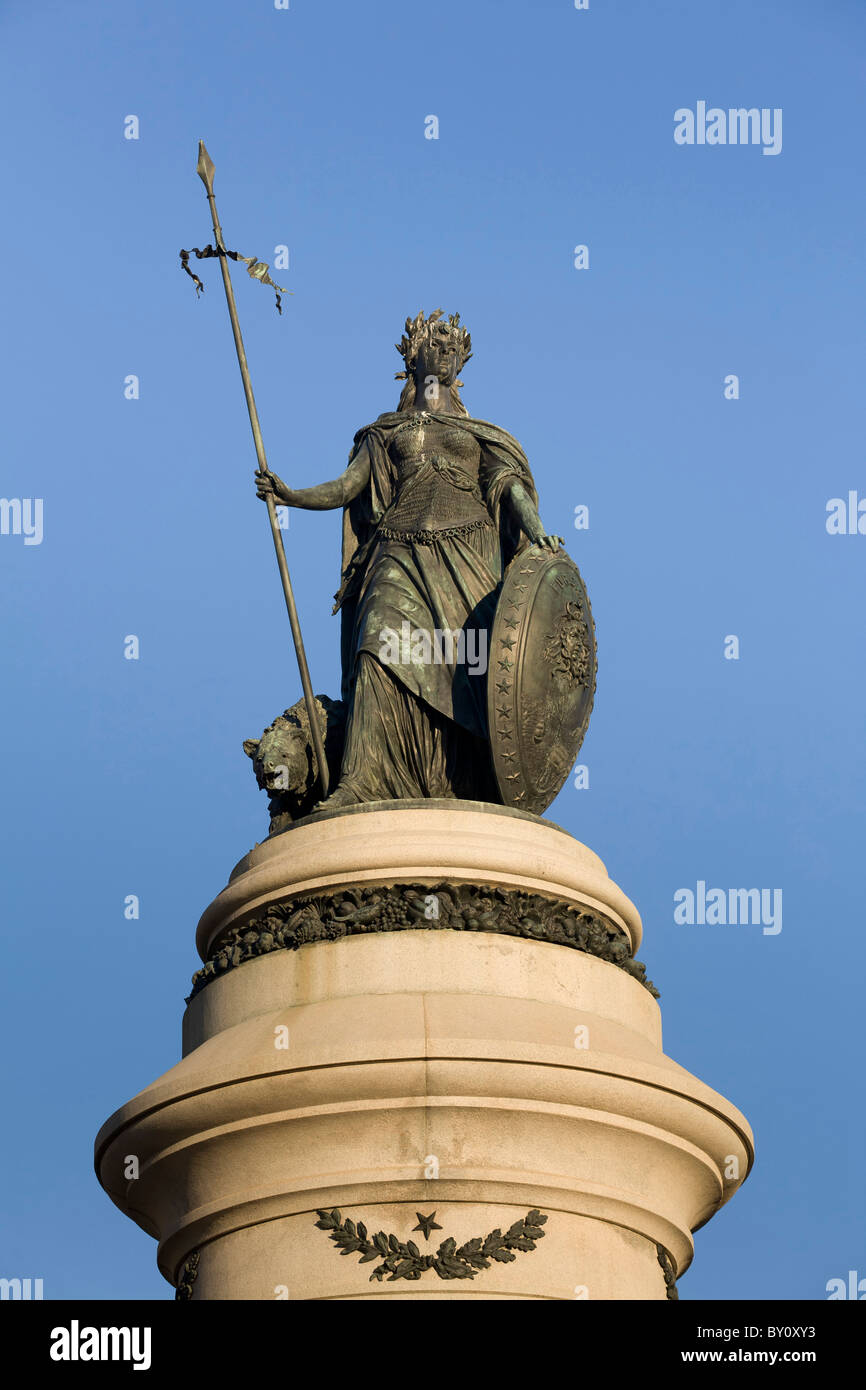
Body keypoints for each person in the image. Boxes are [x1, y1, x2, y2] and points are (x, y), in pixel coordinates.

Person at [256, 310, 562, 808]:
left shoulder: (481, 433)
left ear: (457, 368)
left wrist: (539, 534)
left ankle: (466, 780)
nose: (438, 361)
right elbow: (347, 486)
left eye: (447, 354)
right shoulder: (385, 433)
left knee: (468, 662)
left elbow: (508, 488)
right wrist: (291, 495)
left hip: (470, 555)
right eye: (431, 351)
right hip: (397, 547)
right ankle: (363, 778)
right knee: (377, 641)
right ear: (413, 363)